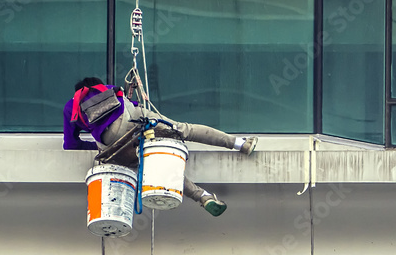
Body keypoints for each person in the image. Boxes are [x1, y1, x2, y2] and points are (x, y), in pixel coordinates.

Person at [63, 77, 256, 217]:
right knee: (183, 130)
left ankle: (203, 197)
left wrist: (97, 146)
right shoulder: (106, 89)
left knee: (157, 168)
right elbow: (130, 104)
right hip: (131, 119)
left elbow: (70, 144)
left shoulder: (70, 107)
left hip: (111, 145)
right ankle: (240, 144)